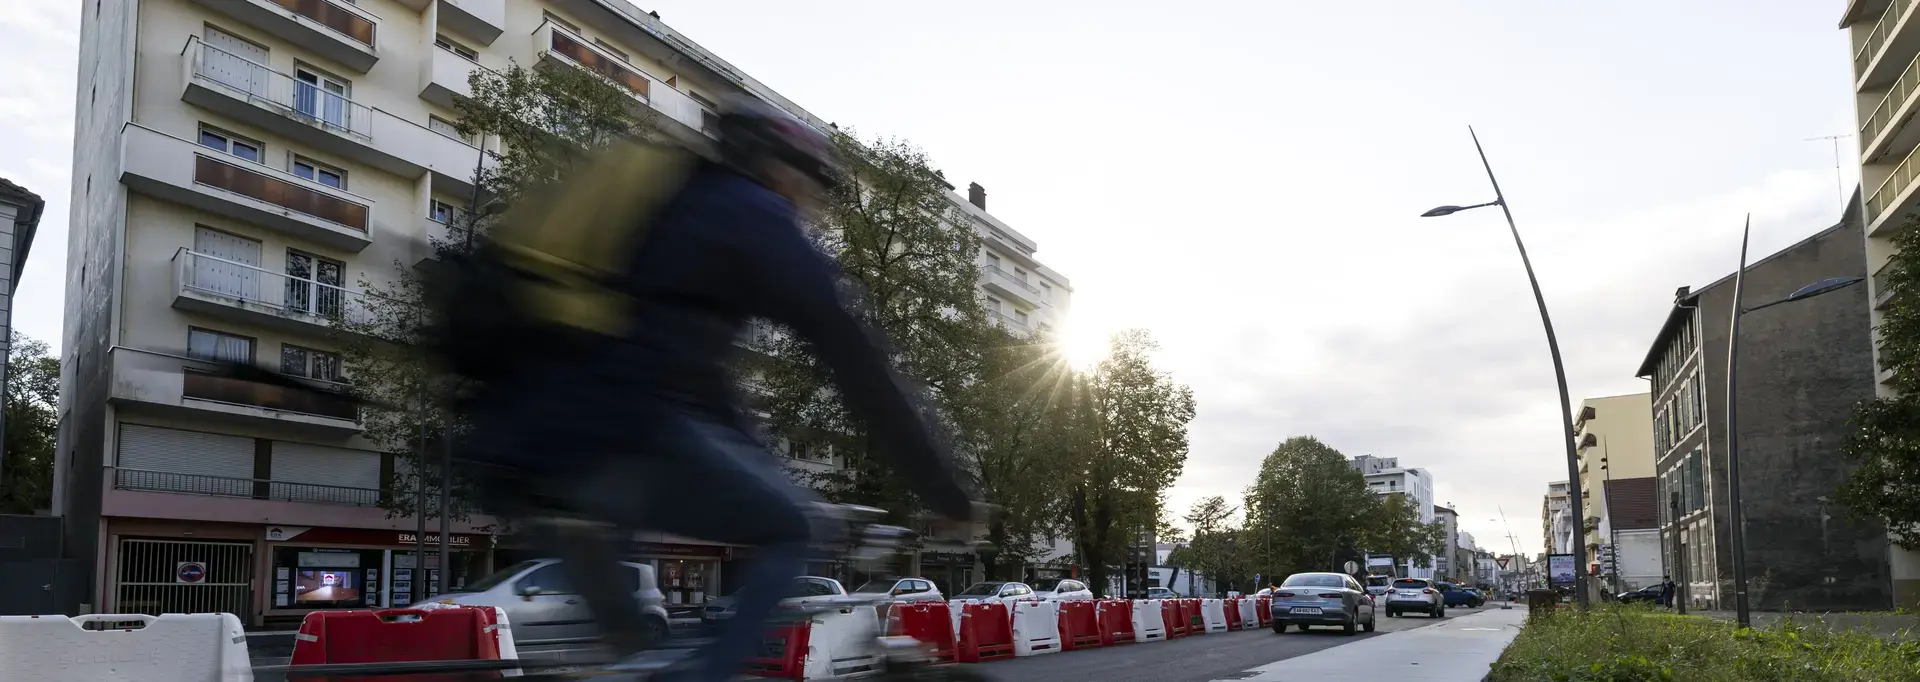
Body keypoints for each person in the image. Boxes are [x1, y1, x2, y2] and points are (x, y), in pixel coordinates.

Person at [457, 96, 979, 681]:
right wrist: (944, 492)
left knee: (632, 657)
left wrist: (759, 461)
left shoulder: (673, 210)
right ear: (782, 171)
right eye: (816, 186)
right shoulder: (757, 216)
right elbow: (858, 361)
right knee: (797, 528)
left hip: (527, 439)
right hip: (619, 426)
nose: (815, 205)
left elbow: (705, 394)